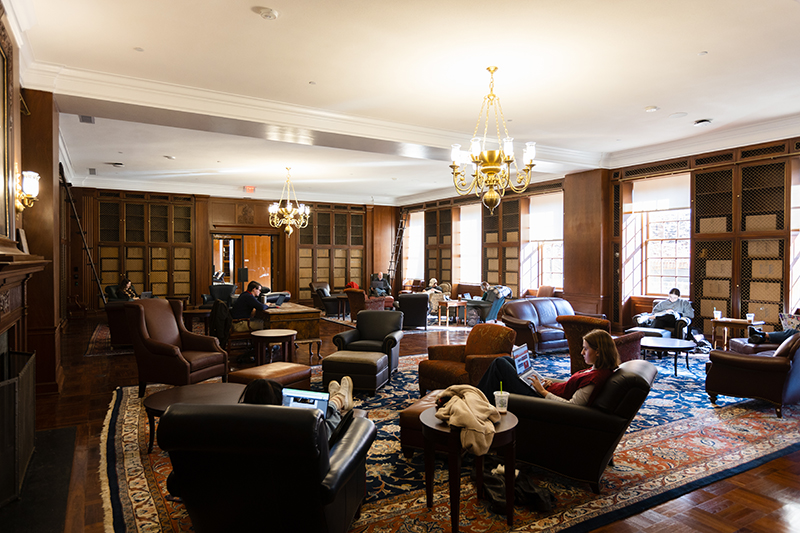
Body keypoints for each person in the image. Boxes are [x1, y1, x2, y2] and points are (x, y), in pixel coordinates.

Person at [477, 329, 620, 407]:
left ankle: (478, 402)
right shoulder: (597, 370)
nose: (582, 353)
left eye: (586, 349)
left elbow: (573, 406)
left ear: (598, 352)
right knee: (506, 360)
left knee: (499, 364)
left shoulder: (594, 379)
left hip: (540, 400)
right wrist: (551, 385)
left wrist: (543, 391)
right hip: (546, 391)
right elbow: (570, 388)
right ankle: (481, 400)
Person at [238, 377, 354, 441]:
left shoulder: (236, 428)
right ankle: (339, 399)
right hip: (309, 475)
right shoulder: (291, 430)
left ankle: (336, 399)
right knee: (327, 418)